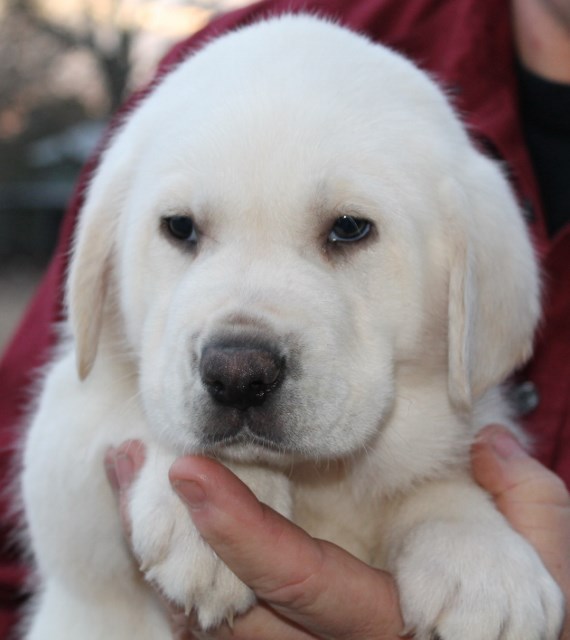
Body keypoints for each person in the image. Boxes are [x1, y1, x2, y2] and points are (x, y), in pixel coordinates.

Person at [0, 0, 568, 637]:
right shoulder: (211, 65)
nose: (239, 360)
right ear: (98, 256)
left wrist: (451, 520)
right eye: (182, 228)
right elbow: (68, 423)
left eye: (348, 230)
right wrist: (169, 458)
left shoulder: (433, 161)